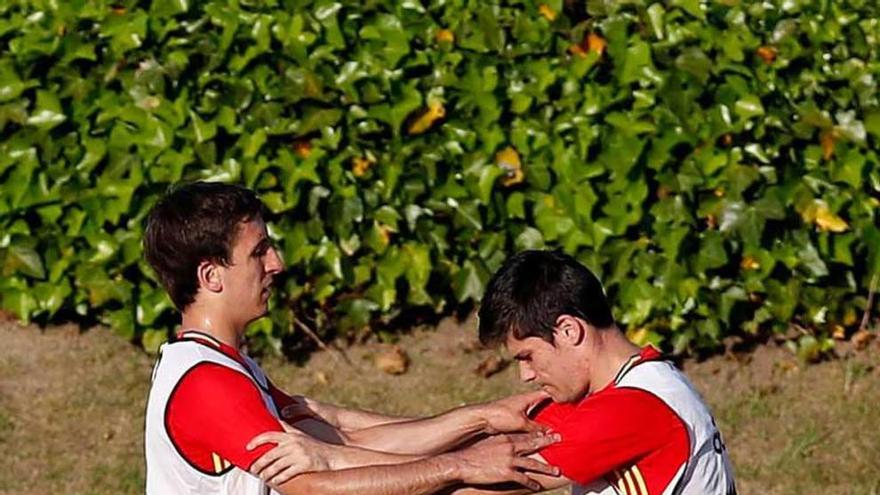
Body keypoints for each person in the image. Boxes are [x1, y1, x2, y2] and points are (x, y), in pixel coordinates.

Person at [142, 181, 559, 495]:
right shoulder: (208, 384)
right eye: (259, 252)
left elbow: (343, 439)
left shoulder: (225, 366)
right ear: (211, 276)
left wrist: (481, 420)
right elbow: (313, 485)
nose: (277, 263)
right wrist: (461, 465)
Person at [449, 249, 737, 495]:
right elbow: (473, 450)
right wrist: (480, 420)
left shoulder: (634, 408)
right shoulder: (620, 388)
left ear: (568, 331)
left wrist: (413, 476)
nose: (526, 375)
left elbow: (476, 485)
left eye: (528, 357)